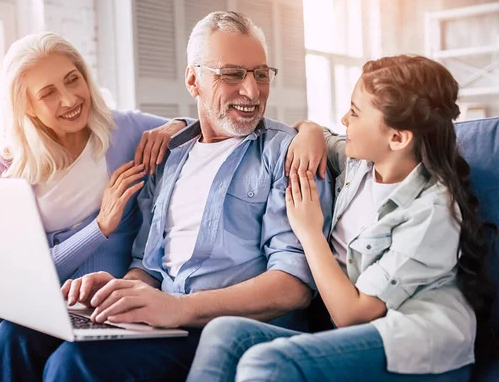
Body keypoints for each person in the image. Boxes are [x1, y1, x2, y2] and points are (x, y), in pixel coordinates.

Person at [0, 11, 333, 382]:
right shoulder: (167, 156)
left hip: (230, 331)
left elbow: (294, 286)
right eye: (232, 74)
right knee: (16, 335)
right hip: (166, 321)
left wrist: (178, 307)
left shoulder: (287, 154)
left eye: (260, 73)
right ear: (193, 80)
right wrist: (119, 290)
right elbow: (148, 265)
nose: (252, 91)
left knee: (75, 362)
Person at [186, 55, 496, 382]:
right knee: (225, 332)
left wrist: (310, 233)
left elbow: (352, 314)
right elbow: (315, 131)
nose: (345, 119)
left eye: (356, 112)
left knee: (269, 362)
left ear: (398, 138)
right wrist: (309, 132)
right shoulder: (360, 165)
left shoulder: (432, 211)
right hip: (363, 340)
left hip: (417, 349)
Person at [0, 31, 187, 382]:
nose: (69, 99)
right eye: (48, 93)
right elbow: (24, 272)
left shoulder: (123, 130)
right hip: (22, 288)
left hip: (85, 291)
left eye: (73, 80)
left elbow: (204, 127)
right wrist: (99, 228)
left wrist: (175, 125)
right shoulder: (10, 165)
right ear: (27, 106)